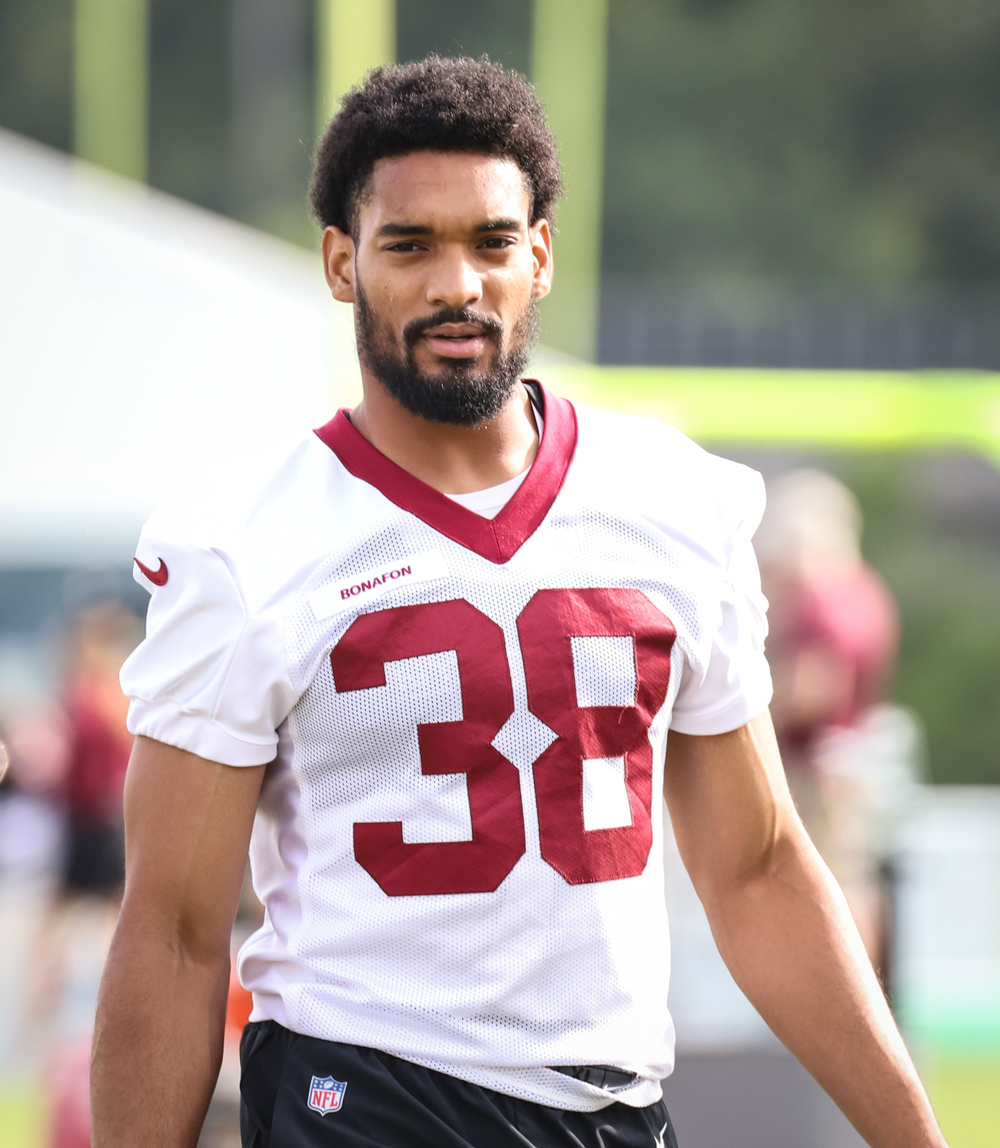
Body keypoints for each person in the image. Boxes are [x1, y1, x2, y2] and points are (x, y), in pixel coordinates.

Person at [91, 56, 947, 1148]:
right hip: (363, 1093)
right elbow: (171, 930)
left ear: (537, 255)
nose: (457, 283)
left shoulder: (669, 502)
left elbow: (759, 868)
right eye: (410, 245)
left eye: (491, 241)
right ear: (342, 263)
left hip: (614, 1108)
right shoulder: (248, 541)